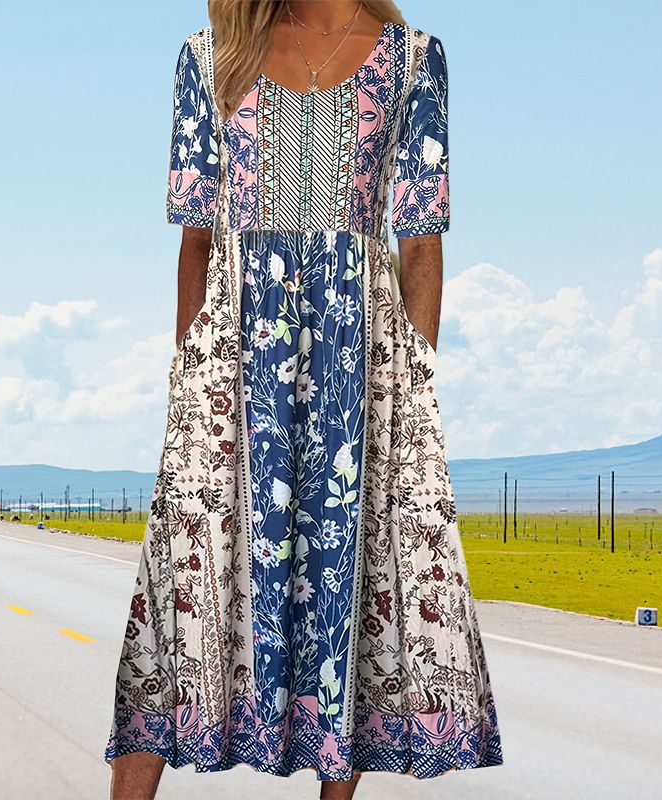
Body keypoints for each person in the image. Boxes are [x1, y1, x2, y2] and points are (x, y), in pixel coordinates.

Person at [104, 1, 504, 798]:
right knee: (183, 596)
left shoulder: (414, 60)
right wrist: (190, 386)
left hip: (363, 365)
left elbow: (421, 246)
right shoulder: (209, 56)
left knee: (348, 586)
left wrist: (411, 387)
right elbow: (196, 244)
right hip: (230, 366)